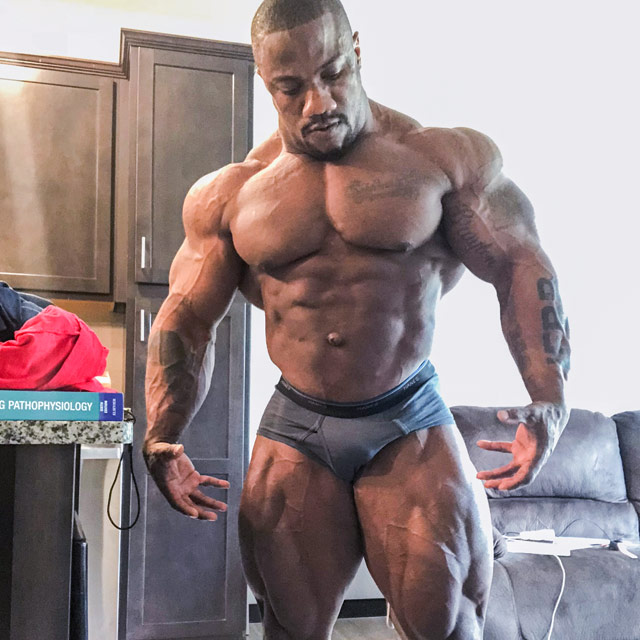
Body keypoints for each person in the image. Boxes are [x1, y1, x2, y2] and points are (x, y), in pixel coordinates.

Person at [142, 0, 571, 637]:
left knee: (448, 623)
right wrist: (161, 433)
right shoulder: (234, 194)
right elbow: (186, 318)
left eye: (333, 73)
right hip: (297, 426)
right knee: (289, 627)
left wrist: (550, 397)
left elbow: (520, 266)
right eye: (291, 87)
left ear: (357, 51)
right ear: (265, 81)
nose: (317, 103)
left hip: (408, 415)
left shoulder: (440, 161)